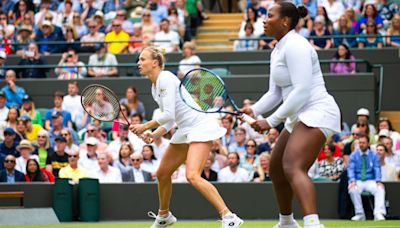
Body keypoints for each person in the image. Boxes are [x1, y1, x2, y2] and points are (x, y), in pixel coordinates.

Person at [240, 2, 341, 228]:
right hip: (298, 115)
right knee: (276, 167)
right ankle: (286, 222)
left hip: (317, 111)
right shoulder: (277, 49)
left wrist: (271, 121)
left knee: (293, 166)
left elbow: (302, 91)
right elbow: (275, 92)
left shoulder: (296, 45)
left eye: (270, 16)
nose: (264, 20)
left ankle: (313, 224)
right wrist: (254, 110)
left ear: (285, 21)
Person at [130, 46, 243, 227]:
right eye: (139, 59)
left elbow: (167, 115)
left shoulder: (166, 78)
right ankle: (164, 216)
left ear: (155, 63)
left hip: (200, 127)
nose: (139, 63)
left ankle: (229, 217)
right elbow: (170, 120)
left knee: (192, 175)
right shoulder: (154, 87)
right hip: (185, 129)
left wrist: (144, 126)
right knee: (163, 173)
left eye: (143, 59)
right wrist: (153, 134)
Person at [347, 135, 386, 221]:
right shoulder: (353, 155)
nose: (361, 144)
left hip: (370, 180)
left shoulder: (374, 155)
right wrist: (352, 181)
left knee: (380, 189)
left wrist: (378, 181)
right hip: (358, 180)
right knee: (352, 189)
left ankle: (378, 213)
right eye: (360, 143)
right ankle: (360, 213)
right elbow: (350, 169)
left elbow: (377, 168)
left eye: (363, 143)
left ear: (368, 143)